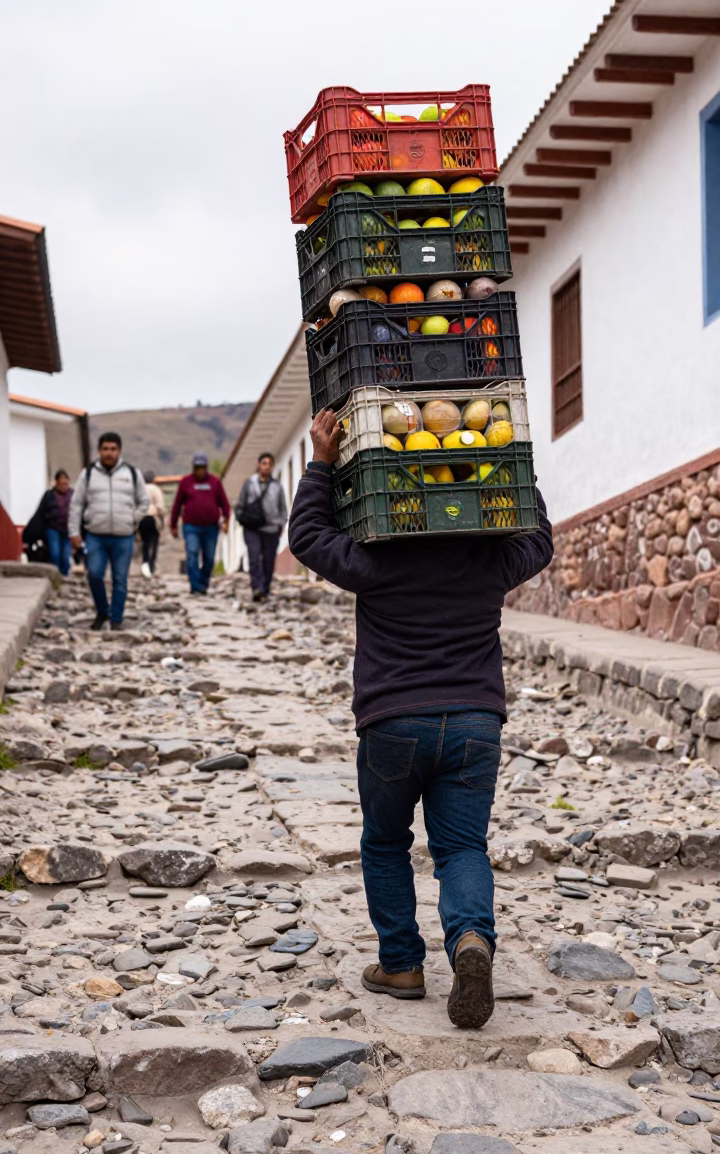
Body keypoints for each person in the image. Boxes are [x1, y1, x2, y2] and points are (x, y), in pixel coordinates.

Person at [288, 409, 554, 1030]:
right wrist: (518, 462)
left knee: (385, 842)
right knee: (461, 845)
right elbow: (538, 538)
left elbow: (306, 537)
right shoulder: (489, 559)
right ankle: (469, 941)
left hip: (392, 723)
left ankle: (403, 965)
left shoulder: (376, 556)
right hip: (474, 722)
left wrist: (322, 461)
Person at [69, 432, 148, 631]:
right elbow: (76, 504)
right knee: (94, 574)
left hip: (124, 536)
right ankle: (102, 611)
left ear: (119, 451)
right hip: (96, 535)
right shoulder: (88, 474)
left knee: (120, 579)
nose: (109, 453)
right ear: (99, 451)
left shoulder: (131, 473)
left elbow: (144, 501)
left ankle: (116, 619)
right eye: (105, 449)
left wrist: (133, 519)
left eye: (113, 449)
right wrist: (73, 532)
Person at [170, 452, 230, 595]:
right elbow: (177, 504)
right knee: (192, 554)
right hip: (191, 526)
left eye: (203, 467)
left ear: (206, 467)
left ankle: (203, 582)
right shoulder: (186, 482)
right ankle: (195, 586)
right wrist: (173, 524)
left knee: (209, 558)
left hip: (211, 527)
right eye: (197, 467)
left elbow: (224, 504)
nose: (200, 470)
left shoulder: (215, 482)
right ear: (193, 467)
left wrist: (226, 519)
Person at [235, 452, 288, 602]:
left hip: (271, 529)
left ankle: (265, 588)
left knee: (268, 560)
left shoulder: (277, 487)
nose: (266, 466)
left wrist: (280, 524)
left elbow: (282, 508)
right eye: (264, 463)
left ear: (272, 467)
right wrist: (241, 518)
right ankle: (256, 588)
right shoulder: (249, 484)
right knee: (254, 557)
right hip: (251, 528)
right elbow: (241, 504)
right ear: (259, 465)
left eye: (269, 464)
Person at [24, 470, 73, 575]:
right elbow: (40, 513)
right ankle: (55, 575)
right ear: (56, 483)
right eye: (61, 483)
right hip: (53, 529)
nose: (64, 486)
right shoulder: (49, 495)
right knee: (55, 554)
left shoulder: (72, 495)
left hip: (68, 529)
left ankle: (65, 576)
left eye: (66, 483)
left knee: (65, 555)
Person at [139, 470, 166, 579]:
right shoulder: (156, 490)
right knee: (153, 544)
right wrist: (162, 518)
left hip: (141, 518)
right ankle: (151, 566)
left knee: (144, 543)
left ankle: (145, 564)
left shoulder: (140, 490)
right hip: (152, 518)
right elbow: (160, 506)